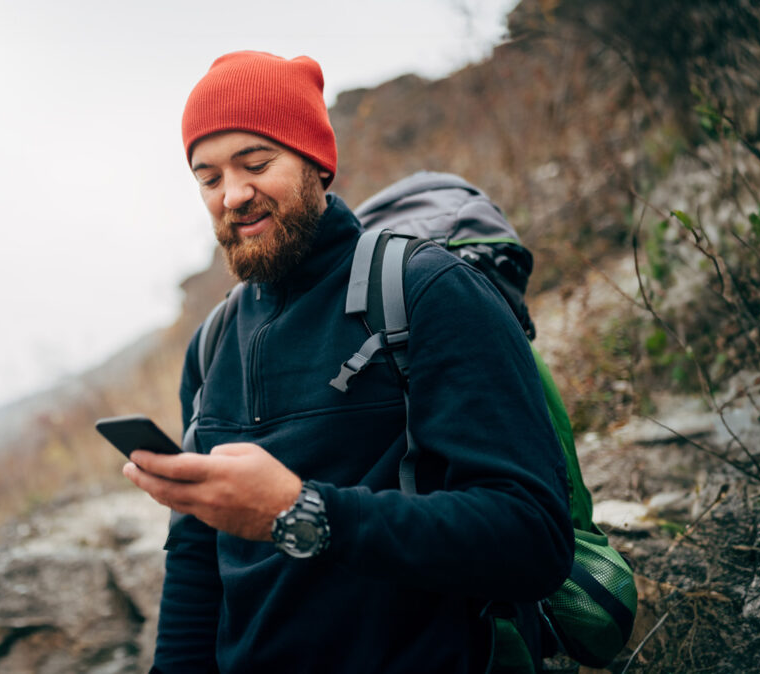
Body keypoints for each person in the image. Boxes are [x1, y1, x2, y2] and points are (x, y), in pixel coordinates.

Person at [122, 50, 574, 674]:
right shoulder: (212, 342)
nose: (234, 194)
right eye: (209, 177)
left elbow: (534, 538)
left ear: (316, 161)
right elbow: (198, 558)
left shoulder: (425, 289)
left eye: (256, 163)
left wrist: (302, 513)